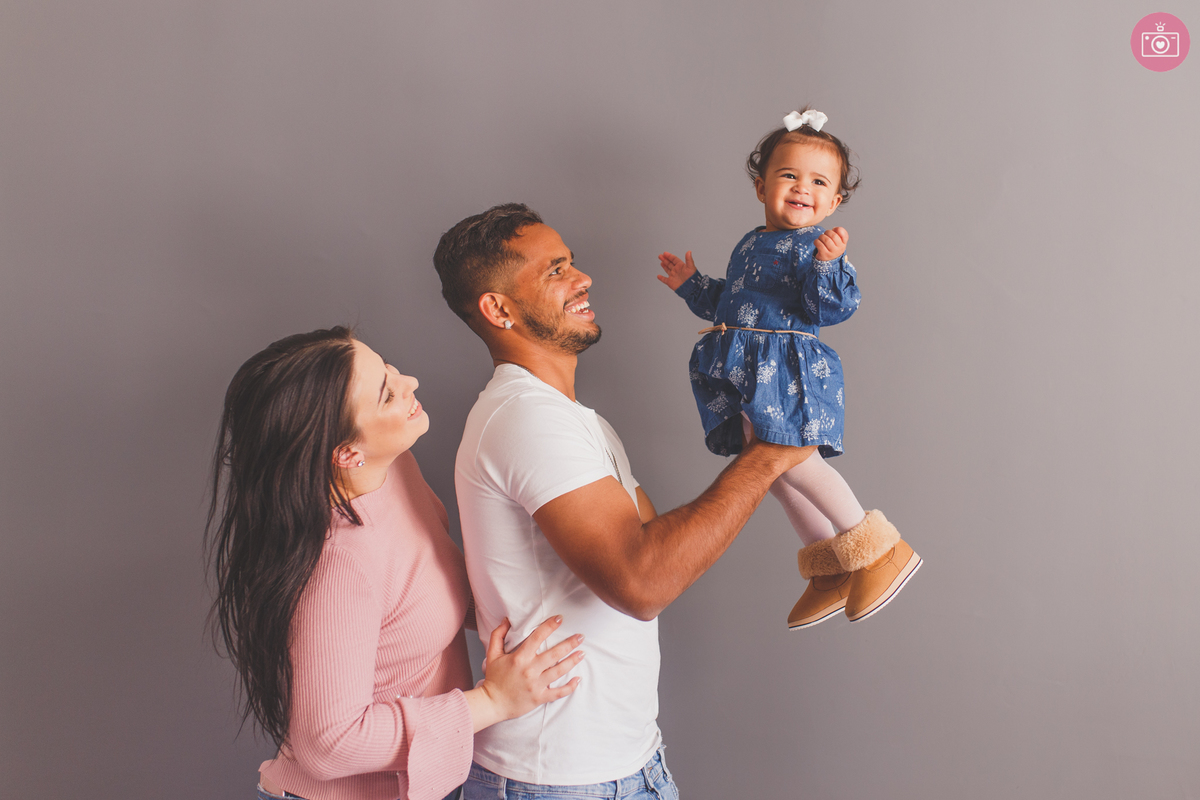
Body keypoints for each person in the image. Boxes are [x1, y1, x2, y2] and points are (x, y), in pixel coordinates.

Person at [433, 204, 813, 800]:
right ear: (498, 309)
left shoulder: (575, 421)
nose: (583, 279)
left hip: (629, 766)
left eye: (572, 263)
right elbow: (644, 581)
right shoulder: (528, 419)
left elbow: (660, 551)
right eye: (556, 270)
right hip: (558, 782)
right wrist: (765, 458)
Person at [206, 327, 585, 800]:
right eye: (387, 393)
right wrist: (493, 701)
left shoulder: (393, 469)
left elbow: (425, 591)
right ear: (348, 454)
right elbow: (329, 744)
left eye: (388, 368)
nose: (410, 382)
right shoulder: (338, 566)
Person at [656, 107, 922, 629]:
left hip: (785, 371)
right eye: (788, 175)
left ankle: (880, 550)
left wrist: (827, 263)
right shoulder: (751, 241)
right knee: (768, 471)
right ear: (762, 187)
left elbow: (832, 308)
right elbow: (735, 304)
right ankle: (829, 567)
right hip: (746, 371)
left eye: (819, 181)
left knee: (792, 460)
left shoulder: (817, 249)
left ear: (835, 201)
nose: (803, 188)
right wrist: (692, 284)